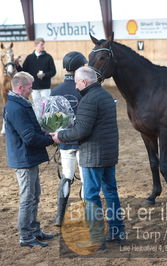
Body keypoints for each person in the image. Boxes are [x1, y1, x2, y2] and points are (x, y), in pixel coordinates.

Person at [50, 66, 125, 250]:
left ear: (84, 82)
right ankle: (117, 231)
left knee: (91, 196)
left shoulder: (88, 100)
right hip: (109, 154)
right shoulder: (106, 96)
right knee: (111, 192)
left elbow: (82, 130)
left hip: (93, 156)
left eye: (76, 82)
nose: (75, 87)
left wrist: (60, 136)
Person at [3, 71, 55, 248]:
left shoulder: (20, 104)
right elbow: (29, 138)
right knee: (27, 198)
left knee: (34, 196)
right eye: (30, 87)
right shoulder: (16, 108)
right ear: (20, 87)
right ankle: (25, 236)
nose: (32, 90)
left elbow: (32, 131)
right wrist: (51, 140)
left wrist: (46, 133)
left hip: (28, 158)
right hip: (24, 159)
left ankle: (34, 230)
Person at [50, 51, 87, 226]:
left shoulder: (55, 91)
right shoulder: (86, 89)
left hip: (65, 143)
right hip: (84, 142)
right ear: (80, 67)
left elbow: (50, 120)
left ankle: (59, 216)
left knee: (66, 177)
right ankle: (86, 215)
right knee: (86, 179)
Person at [15, 37, 56, 117]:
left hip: (45, 88)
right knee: (37, 108)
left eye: (43, 44)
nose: (43, 46)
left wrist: (44, 75)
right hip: (33, 88)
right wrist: (17, 65)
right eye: (41, 44)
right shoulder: (29, 58)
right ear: (36, 45)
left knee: (46, 107)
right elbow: (24, 72)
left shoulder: (48, 57)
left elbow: (53, 72)